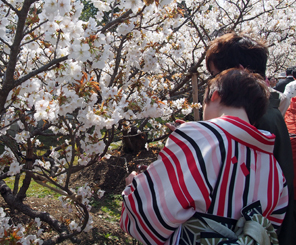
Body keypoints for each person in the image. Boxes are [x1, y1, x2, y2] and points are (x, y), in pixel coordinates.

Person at [120, 69, 288, 244]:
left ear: (214, 95)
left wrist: (133, 188)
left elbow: (154, 216)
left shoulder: (198, 136)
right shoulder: (274, 168)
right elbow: (272, 224)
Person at [205, 32, 294, 244]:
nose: (212, 84)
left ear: (238, 73)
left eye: (216, 75)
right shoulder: (267, 113)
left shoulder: (256, 122)